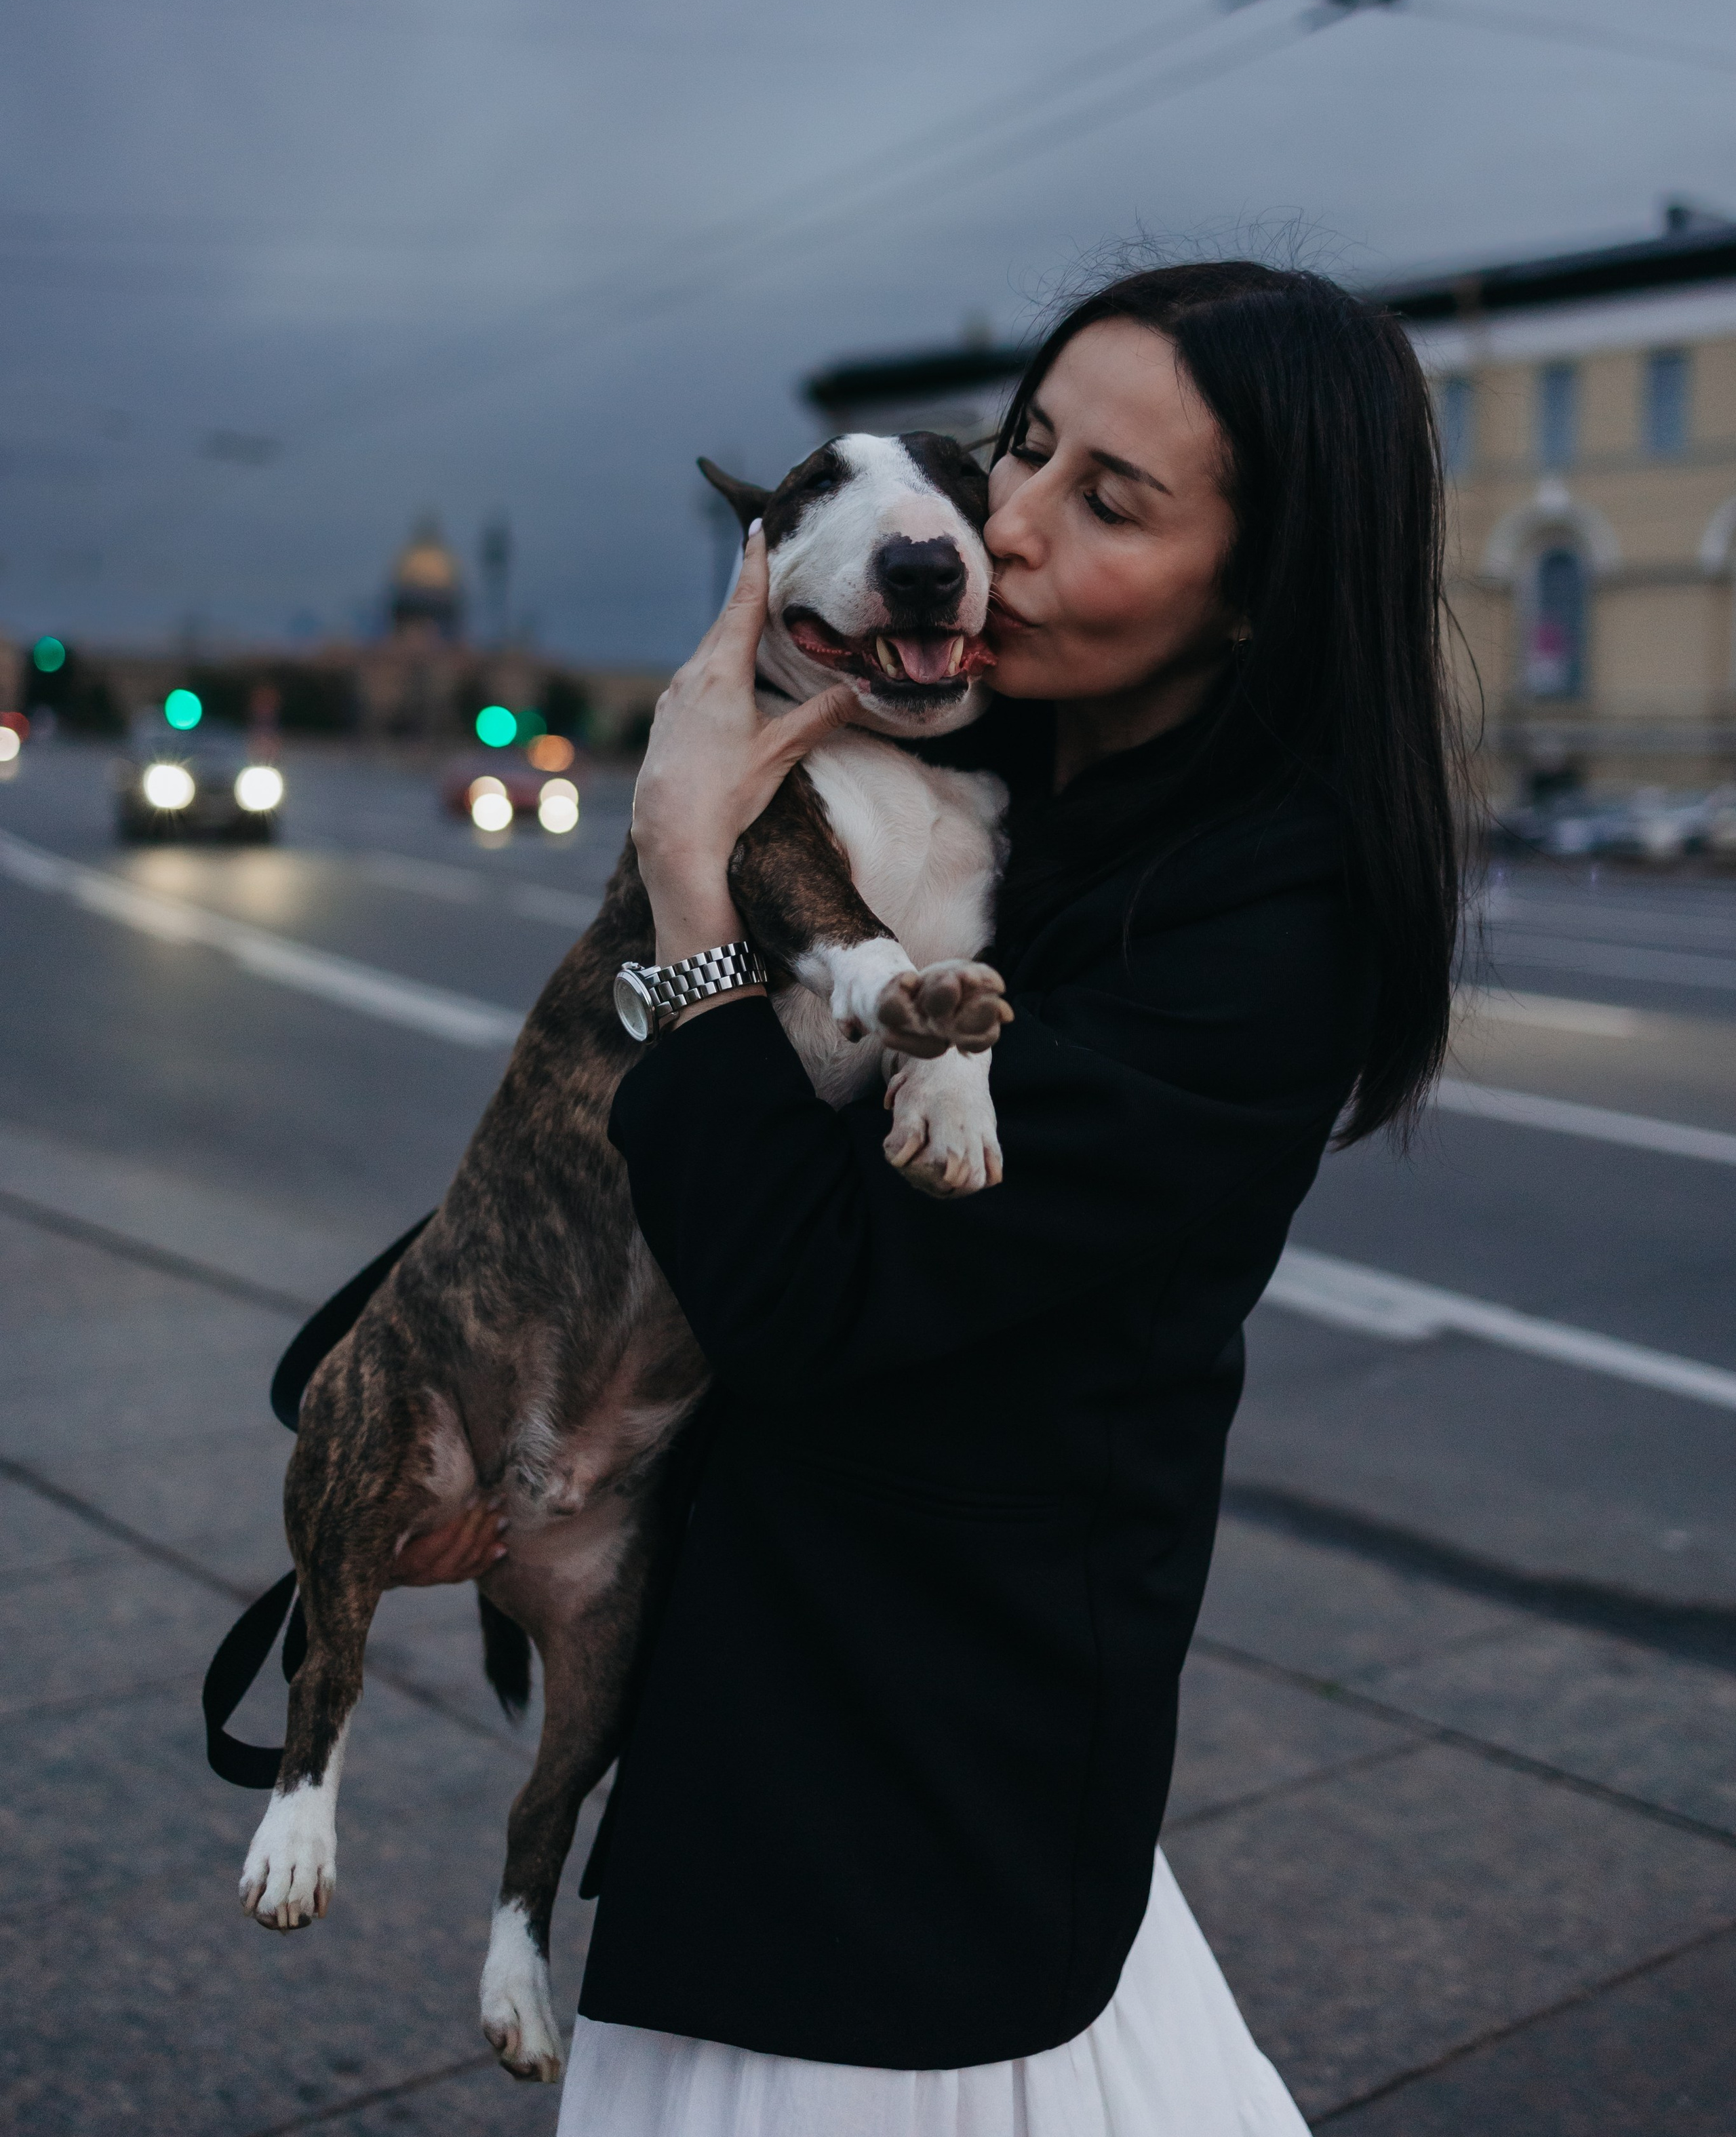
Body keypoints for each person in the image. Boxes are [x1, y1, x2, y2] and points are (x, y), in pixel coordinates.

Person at [408, 259, 1462, 2131]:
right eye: (1026, 451)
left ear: (1261, 593)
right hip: (805, 1722)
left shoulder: (1260, 929)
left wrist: (686, 889)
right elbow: (604, 1168)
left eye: (1107, 502)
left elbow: (810, 1292)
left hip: (905, 1800)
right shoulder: (995, 769)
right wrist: (457, 1409)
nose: (1010, 526)